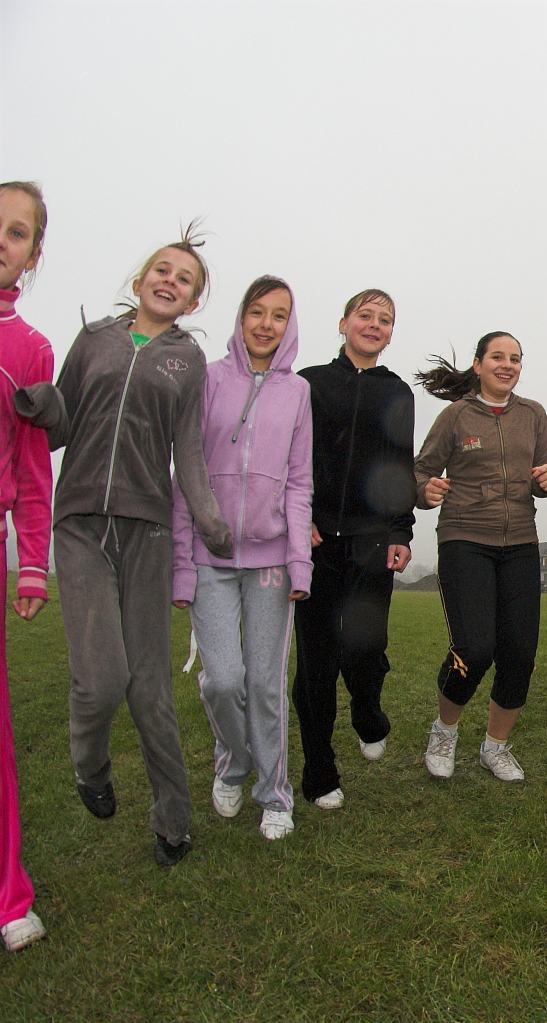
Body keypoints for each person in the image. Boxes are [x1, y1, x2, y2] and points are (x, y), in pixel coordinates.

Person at [32, 225, 234, 867]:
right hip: (80, 524)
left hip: (148, 530)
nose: (170, 281)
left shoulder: (187, 360)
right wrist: (40, 404)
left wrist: (211, 521)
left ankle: (173, 821)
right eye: (163, 270)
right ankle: (90, 767)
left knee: (150, 690)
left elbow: (188, 451)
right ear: (142, 278)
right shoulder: (94, 339)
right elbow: (60, 426)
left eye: (185, 279)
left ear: (193, 301)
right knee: (100, 682)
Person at [172, 276, 311, 841]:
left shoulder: (298, 391)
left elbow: (299, 482)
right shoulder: (208, 379)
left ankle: (274, 794)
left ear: (289, 325)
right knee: (223, 681)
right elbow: (186, 473)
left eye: (279, 315)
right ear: (241, 316)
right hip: (210, 556)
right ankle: (232, 762)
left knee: (266, 684)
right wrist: (182, 564)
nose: (266, 324)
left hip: (271, 561)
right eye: (257, 312)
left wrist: (299, 561)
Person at [413, 332, 547, 783]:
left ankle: (495, 747)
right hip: (465, 538)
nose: (507, 365)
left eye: (515, 358)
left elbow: (542, 475)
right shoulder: (456, 415)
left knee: (520, 653)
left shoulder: (533, 414)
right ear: (478, 365)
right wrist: (424, 490)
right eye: (498, 356)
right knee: (474, 649)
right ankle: (444, 731)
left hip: (521, 542)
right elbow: (421, 470)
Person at [292, 289, 415, 810]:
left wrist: (401, 531)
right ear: (344, 323)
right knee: (316, 662)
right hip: (315, 542)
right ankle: (320, 771)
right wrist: (299, 519)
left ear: (390, 335)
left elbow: (399, 464)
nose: (374, 324)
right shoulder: (309, 383)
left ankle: (368, 713)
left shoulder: (397, 392)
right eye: (365, 315)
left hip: (372, 543)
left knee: (365, 649)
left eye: (384, 319)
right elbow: (290, 456)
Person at [0, 181, 53, 945]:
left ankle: (9, 898)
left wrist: (32, 561)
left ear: (33, 255)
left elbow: (35, 471)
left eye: (15, 233)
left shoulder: (31, 350)